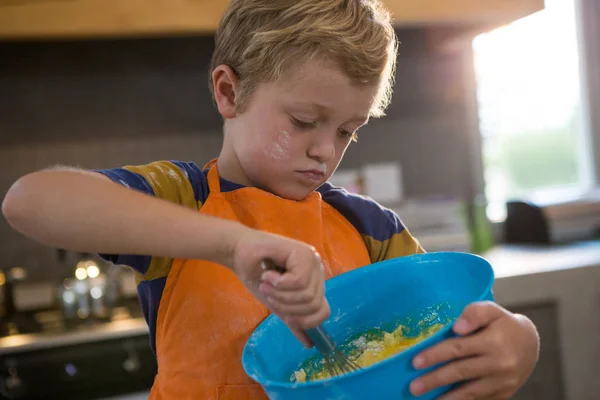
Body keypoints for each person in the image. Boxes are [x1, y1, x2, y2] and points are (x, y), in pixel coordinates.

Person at [1, 0, 540, 399]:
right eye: (304, 122)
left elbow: (465, 319)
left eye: (348, 130)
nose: (325, 152)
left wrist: (520, 339)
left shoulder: (369, 229)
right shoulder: (182, 202)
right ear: (228, 92)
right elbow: (30, 200)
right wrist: (232, 245)